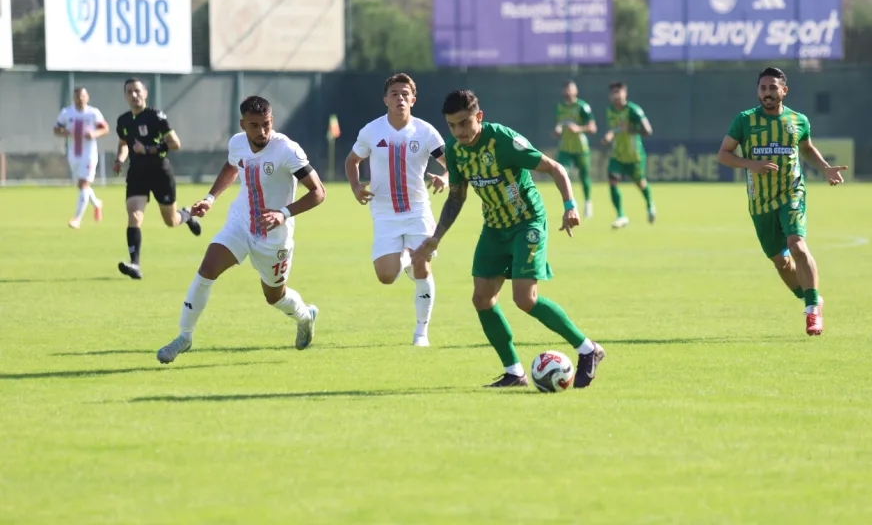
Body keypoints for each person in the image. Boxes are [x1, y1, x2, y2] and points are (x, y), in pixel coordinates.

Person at [412, 90, 605, 389]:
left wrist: (570, 207)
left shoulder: (502, 140)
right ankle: (514, 372)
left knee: (524, 299)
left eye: (464, 123)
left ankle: (588, 349)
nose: (459, 131)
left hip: (527, 222)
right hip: (494, 227)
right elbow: (456, 197)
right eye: (452, 126)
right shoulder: (455, 150)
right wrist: (436, 238)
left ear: (479, 116)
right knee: (482, 299)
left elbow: (556, 168)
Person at [156, 95, 326, 364]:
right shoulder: (237, 142)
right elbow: (233, 165)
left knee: (275, 297)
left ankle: (305, 316)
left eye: (266, 124)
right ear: (242, 124)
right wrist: (210, 198)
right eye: (254, 125)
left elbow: (318, 192)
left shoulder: (287, 150)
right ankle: (184, 337)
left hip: (274, 237)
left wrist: (283, 214)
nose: (261, 132)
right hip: (240, 221)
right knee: (207, 270)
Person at [717, 66, 847, 336]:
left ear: (784, 91)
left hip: (791, 193)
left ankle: (812, 310)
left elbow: (807, 148)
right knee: (781, 262)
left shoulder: (798, 121)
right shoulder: (744, 121)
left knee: (797, 246)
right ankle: (810, 297)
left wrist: (825, 168)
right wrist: (751, 164)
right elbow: (724, 154)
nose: (767, 93)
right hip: (760, 201)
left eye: (773, 88)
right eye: (763, 88)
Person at [345, 73, 448, 347]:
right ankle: (406, 258)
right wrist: (355, 187)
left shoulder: (426, 131)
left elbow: (451, 164)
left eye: (405, 94)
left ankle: (421, 334)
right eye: (394, 93)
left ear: (413, 99)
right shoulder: (371, 131)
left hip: (417, 210)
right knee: (386, 276)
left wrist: (446, 178)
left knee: (423, 267)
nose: (400, 98)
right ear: (385, 99)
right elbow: (352, 160)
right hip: (384, 212)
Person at [113, 78, 201, 280]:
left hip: (160, 172)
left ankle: (186, 215)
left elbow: (175, 143)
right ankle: (135, 264)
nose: (134, 95)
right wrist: (119, 159)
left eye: (137, 91)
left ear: (144, 93)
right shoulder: (123, 120)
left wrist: (148, 149)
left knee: (171, 221)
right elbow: (124, 143)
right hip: (137, 173)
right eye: (129, 92)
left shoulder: (156, 117)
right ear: (125, 96)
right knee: (134, 216)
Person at [53, 86, 109, 228]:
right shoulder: (66, 113)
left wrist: (94, 134)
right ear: (74, 98)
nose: (80, 99)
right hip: (74, 153)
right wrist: (65, 132)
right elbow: (56, 129)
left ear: (87, 97)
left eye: (83, 96)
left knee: (84, 183)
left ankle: (77, 219)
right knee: (82, 185)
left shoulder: (93, 113)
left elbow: (105, 128)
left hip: (89, 154)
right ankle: (97, 203)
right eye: (78, 96)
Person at [603, 81, 655, 228]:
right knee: (613, 182)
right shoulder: (610, 110)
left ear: (625, 93)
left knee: (641, 183)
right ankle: (621, 215)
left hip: (634, 156)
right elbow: (615, 129)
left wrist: (631, 128)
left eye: (618, 92)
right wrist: (610, 135)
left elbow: (648, 131)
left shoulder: (633, 110)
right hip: (617, 155)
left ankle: (650, 205)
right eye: (613, 93)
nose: (616, 96)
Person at [553, 80, 596, 219]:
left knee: (584, 177)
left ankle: (588, 203)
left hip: (580, 148)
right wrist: (557, 130)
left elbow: (592, 127)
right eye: (565, 89)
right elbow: (559, 125)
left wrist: (579, 129)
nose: (568, 92)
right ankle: (570, 202)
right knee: (561, 173)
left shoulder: (582, 107)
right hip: (565, 147)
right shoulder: (560, 107)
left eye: (570, 89)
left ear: (576, 91)